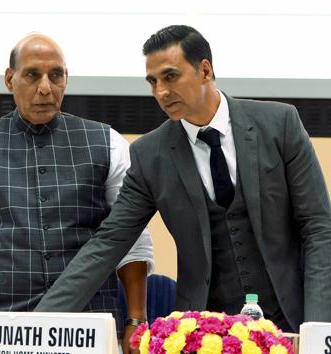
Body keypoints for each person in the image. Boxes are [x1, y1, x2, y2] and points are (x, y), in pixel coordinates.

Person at [36, 25, 331, 333]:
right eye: (153, 81)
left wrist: (318, 329)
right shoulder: (150, 156)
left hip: (290, 320)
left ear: (205, 70)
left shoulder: (279, 125)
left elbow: (319, 228)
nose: (161, 91)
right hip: (202, 331)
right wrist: (38, 325)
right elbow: (109, 242)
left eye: (170, 76)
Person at [0, 33, 154, 352]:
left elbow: (133, 238)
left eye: (56, 75)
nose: (45, 88)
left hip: (90, 326)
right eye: (32, 75)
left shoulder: (107, 142)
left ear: (67, 78)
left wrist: (136, 320)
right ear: (10, 79)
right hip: (3, 325)